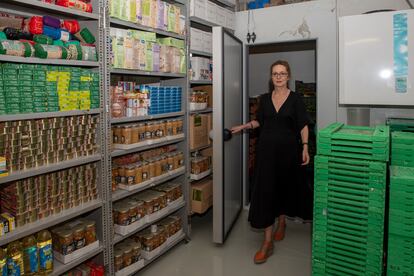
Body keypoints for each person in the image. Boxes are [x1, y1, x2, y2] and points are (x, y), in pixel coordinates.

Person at [231, 60, 310, 264]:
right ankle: (267, 243)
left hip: (288, 154)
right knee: (266, 193)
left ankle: (282, 222)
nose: (279, 77)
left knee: (283, 189)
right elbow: (261, 122)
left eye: (282, 73)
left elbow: (303, 125)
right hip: (266, 154)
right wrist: (244, 126)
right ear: (271, 77)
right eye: (275, 73)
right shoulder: (264, 99)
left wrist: (305, 146)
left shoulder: (296, 100)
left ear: (288, 76)